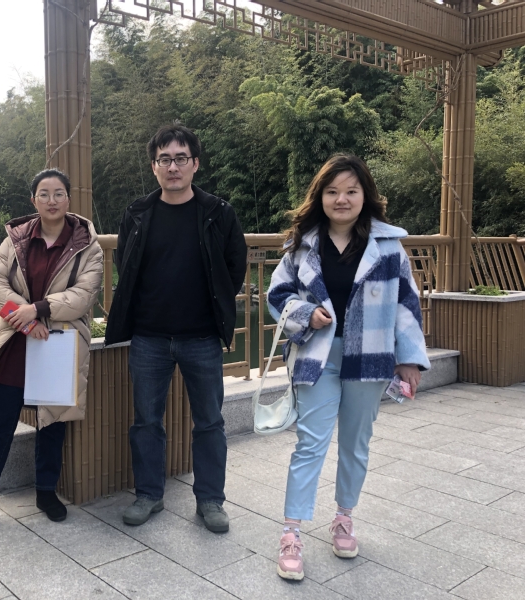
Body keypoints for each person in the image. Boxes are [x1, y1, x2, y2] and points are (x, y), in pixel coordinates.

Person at [266, 154, 430, 580]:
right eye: (332, 191)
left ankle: (343, 518)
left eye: (351, 191)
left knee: (356, 443)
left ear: (365, 196)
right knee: (310, 444)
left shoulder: (388, 246)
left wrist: (409, 360)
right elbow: (277, 295)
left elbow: (406, 304)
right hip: (316, 358)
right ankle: (291, 532)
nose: (341, 199)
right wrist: (306, 314)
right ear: (320, 196)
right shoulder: (301, 245)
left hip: (370, 358)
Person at [105, 124, 247, 533]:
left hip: (201, 337)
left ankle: (211, 500)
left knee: (210, 422)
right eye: (164, 159)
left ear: (195, 163)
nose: (173, 167)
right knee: (146, 421)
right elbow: (125, 263)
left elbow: (234, 265)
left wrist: (216, 306)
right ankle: (149, 494)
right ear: (154, 166)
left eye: (180, 158)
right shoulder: (137, 213)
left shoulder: (218, 212)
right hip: (149, 337)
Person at [0, 168, 103, 535]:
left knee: (52, 425)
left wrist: (39, 310)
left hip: (56, 344)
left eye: (58, 193)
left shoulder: (87, 245)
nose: (52, 200)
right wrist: (24, 319)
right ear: (33, 200)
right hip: (15, 344)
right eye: (44, 194)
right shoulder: (16, 239)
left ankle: (46, 493)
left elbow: (84, 296)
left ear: (69, 199)